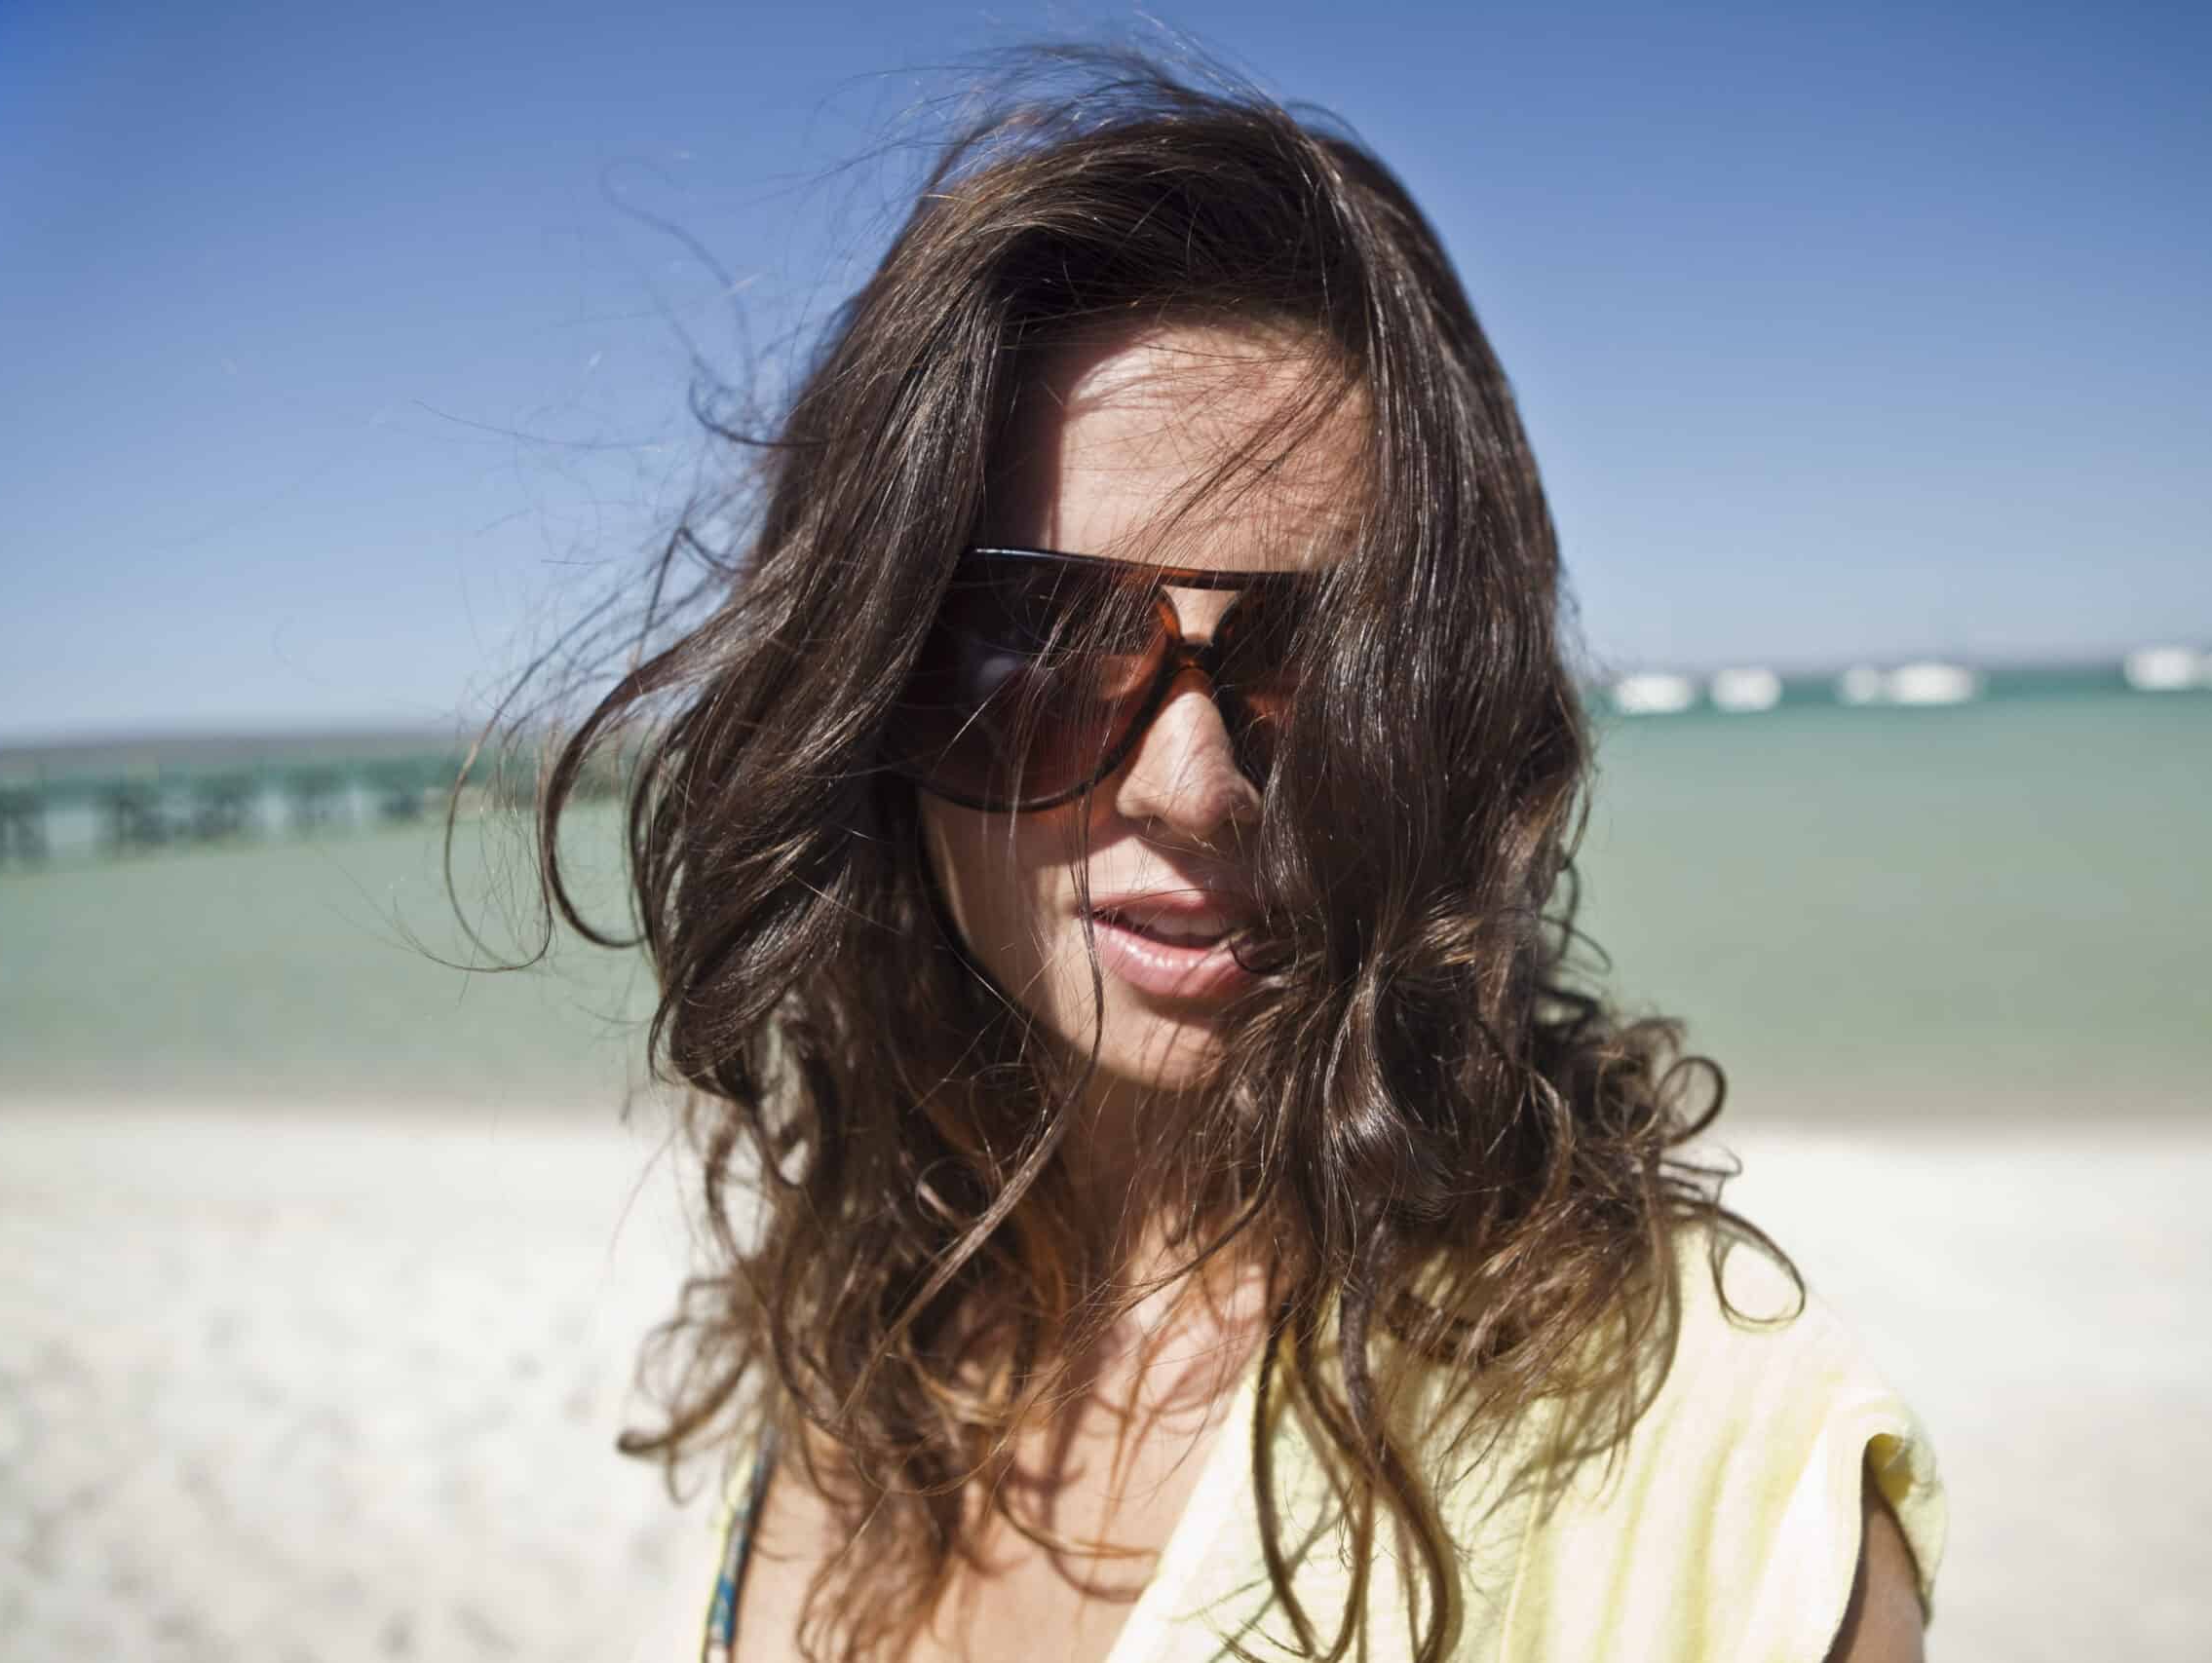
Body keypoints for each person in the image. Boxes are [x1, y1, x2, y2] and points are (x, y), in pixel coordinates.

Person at [535, 50, 1943, 1663]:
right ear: (869, 678)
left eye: (1325, 658)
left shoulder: (1722, 1468)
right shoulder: (863, 1329)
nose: (1195, 788)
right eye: (1042, 639)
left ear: (1459, 719)